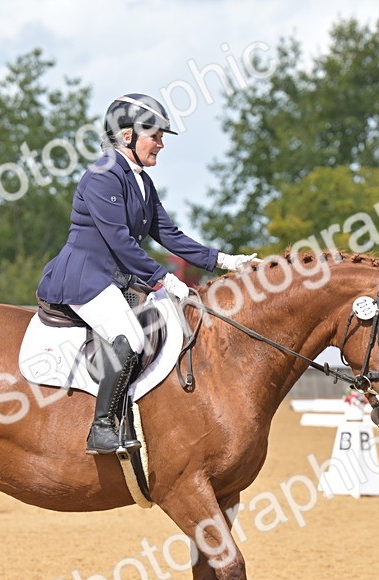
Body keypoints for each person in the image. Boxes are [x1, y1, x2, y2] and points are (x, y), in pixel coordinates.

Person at [36, 93, 258, 456]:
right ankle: (102, 427)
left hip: (117, 279)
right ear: (127, 136)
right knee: (129, 337)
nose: (161, 143)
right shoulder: (103, 175)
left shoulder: (140, 181)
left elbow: (168, 234)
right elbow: (120, 242)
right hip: (85, 278)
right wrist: (164, 278)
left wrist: (225, 261)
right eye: (154, 136)